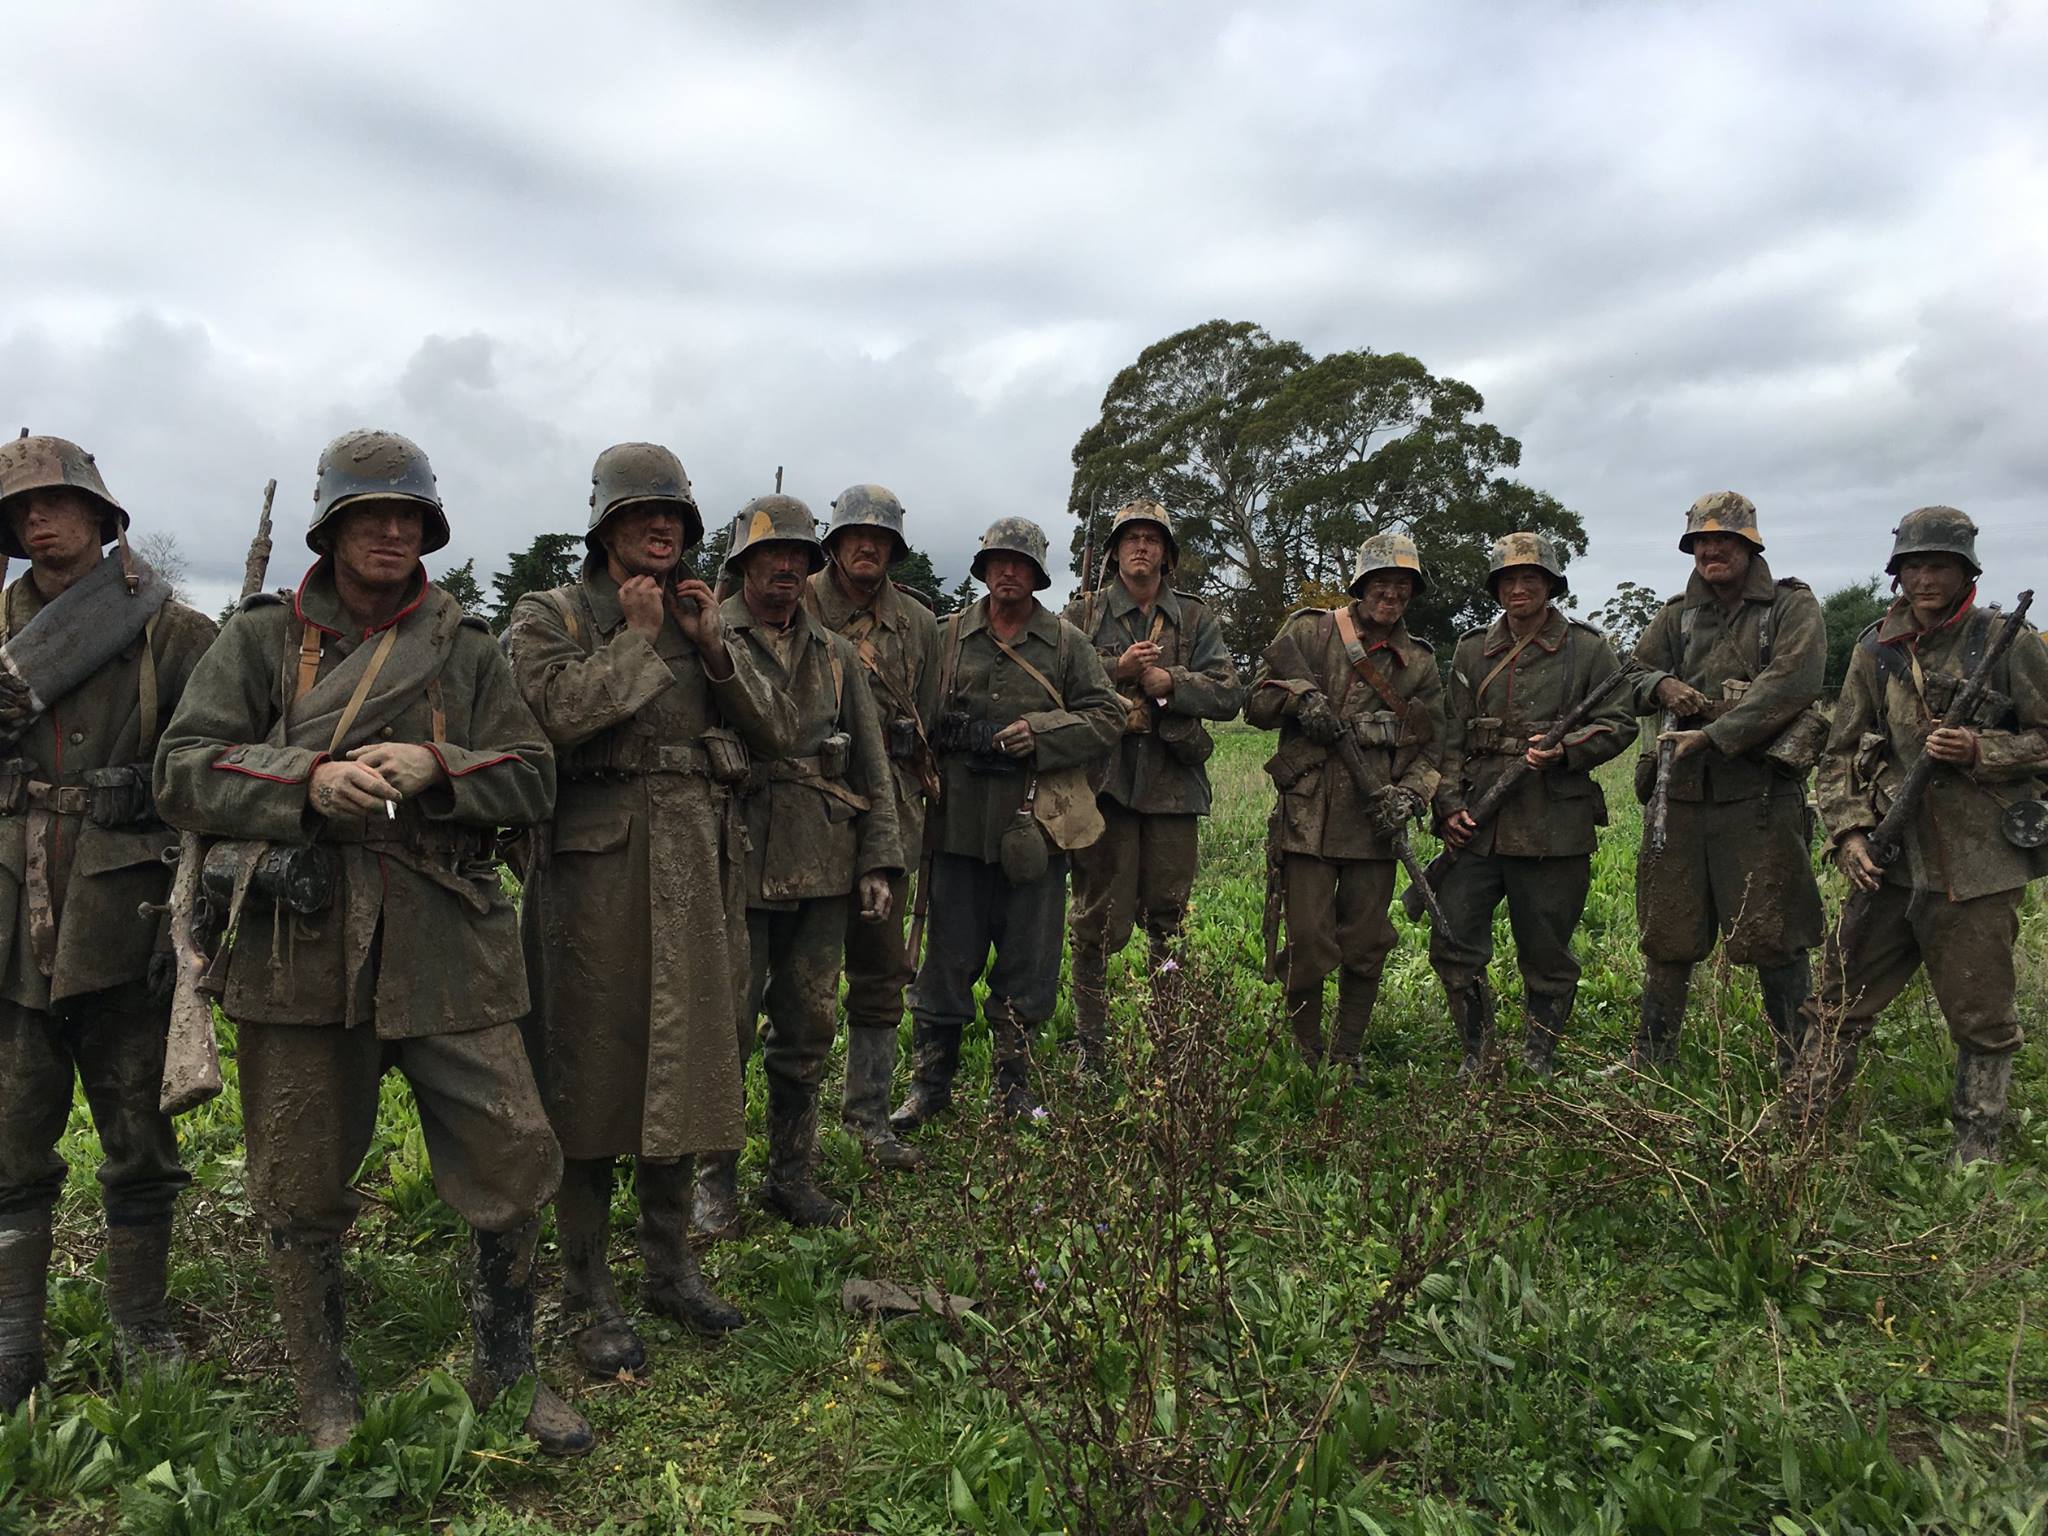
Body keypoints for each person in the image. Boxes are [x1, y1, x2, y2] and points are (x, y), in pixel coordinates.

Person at [154, 430, 588, 1454]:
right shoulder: (262, 639)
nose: (391, 531)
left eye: (409, 516)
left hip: (448, 932)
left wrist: (442, 765)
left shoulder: (467, 646)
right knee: (298, 1181)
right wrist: (302, 782)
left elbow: (535, 778)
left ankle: (507, 1371)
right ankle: (326, 1395)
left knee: (513, 1153)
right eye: (369, 515)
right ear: (333, 526)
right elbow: (180, 769)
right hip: (299, 938)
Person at [506, 444, 793, 1368]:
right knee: (588, 1073)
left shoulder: (705, 616)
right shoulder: (550, 616)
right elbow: (546, 719)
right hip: (593, 875)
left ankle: (669, 1268)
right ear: (603, 527)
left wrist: (713, 652)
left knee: (692, 1065)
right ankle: (587, 1292)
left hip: (696, 866)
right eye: (640, 516)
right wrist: (631, 642)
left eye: (673, 516)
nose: (661, 529)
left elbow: (777, 732)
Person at [0, 435, 217, 1410]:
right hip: (10, 917)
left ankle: (142, 1322)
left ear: (99, 515)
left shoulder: (171, 632)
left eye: (56, 502)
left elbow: (219, 754)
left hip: (123, 913)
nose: (39, 520)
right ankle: (12, 1348)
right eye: (22, 509)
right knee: (10, 1136)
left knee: (137, 1134)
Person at [1783, 507, 2047, 1160]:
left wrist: (1983, 750)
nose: (1926, 579)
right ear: (1897, 573)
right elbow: (1839, 751)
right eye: (1914, 566)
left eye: (1940, 566)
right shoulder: (1874, 649)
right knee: (1838, 1000)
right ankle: (1798, 1131)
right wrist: (1848, 836)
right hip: (1889, 857)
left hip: (1977, 860)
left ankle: (1976, 1149)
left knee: (1982, 1016)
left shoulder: (2011, 642)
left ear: (1966, 572)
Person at [693, 495, 900, 1237]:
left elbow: (872, 765)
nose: (784, 570)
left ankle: (790, 1174)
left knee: (808, 1023)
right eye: (768, 558)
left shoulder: (838, 656)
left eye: (797, 559)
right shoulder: (708, 638)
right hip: (734, 858)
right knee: (726, 1027)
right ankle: (712, 1182)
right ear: (741, 566)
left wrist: (878, 861)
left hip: (822, 858)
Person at [890, 518, 1121, 1126]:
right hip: (956, 827)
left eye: (1019, 563)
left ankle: (1014, 1088)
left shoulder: (1067, 644)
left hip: (1035, 833)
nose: (1007, 572)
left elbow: (1107, 718)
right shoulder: (944, 638)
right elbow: (910, 713)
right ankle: (930, 1085)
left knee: (1028, 964)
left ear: (1038, 575)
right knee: (946, 963)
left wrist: (1040, 733)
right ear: (983, 568)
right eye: (997, 561)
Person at [1612, 492, 1827, 1075]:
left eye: (1725, 540)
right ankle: (1651, 1058)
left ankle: (1798, 1063)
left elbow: (1792, 682)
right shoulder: (1677, 613)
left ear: (1749, 544)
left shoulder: (1789, 606)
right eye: (1701, 542)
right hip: (1678, 799)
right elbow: (1628, 674)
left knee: (1775, 931)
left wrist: (1713, 734)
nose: (1712, 551)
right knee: (1668, 929)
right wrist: (1661, 687)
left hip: (1758, 797)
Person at [1429, 532, 1630, 1075]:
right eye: (1509, 580)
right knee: (1454, 935)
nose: (1520, 589)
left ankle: (1539, 1054)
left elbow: (1619, 722)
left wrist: (1568, 750)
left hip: (1553, 821)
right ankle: (1478, 1051)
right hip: (1479, 820)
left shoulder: (1588, 649)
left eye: (1531, 579)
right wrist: (1446, 805)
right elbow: (1450, 733)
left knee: (1546, 949)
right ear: (1496, 589)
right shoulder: (1473, 649)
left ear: (1551, 585)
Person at [1245, 533, 1445, 1067]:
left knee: (1365, 941)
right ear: (1361, 585)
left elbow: (1437, 748)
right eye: (1382, 583)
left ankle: (1348, 1051)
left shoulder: (1420, 664)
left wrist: (1410, 797)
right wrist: (1299, 699)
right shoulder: (1310, 632)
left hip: (1374, 819)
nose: (1391, 595)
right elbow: (1256, 704)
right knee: (1309, 940)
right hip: (1308, 814)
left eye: (1402, 586)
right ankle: (1307, 1054)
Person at [1061, 500, 1244, 1067]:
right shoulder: (1081, 613)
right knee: (1096, 920)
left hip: (1171, 787)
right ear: (1115, 551)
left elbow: (1230, 693)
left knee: (1169, 919)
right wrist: (1114, 671)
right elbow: (1049, 683)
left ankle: (1168, 1041)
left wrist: (1171, 681)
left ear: (1167, 553)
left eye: (1152, 539)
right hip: (1103, 788)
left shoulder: (1195, 619)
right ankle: (1093, 1045)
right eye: (1131, 538)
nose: (1141, 547)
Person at [803, 485, 940, 1171]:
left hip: (891, 812)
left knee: (883, 968)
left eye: (881, 539)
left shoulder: (918, 623)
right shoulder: (796, 602)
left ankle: (868, 1118)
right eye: (858, 536)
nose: (869, 548)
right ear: (832, 543)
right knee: (800, 976)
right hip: (809, 813)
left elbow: (930, 719)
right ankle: (789, 1140)